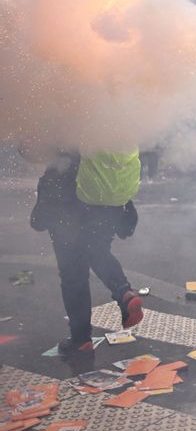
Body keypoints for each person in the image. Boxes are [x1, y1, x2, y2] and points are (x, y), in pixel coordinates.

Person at [30, 150, 144, 355]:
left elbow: (36, 150)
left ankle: (81, 339)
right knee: (97, 250)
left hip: (69, 200)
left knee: (73, 272)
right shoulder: (111, 130)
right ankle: (124, 292)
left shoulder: (69, 132)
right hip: (106, 199)